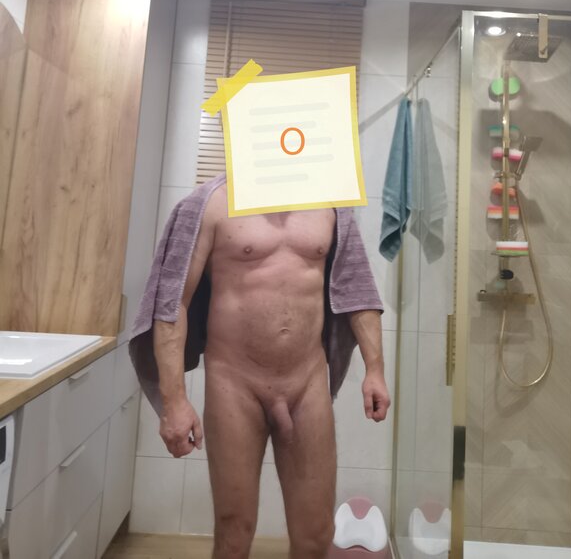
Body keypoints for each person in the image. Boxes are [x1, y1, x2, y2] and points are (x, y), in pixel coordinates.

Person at [130, 174, 390, 559]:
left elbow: (357, 290)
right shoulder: (211, 202)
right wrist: (174, 402)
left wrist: (375, 369)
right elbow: (171, 303)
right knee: (234, 531)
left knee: (316, 533)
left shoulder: (332, 206)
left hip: (306, 383)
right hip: (235, 385)